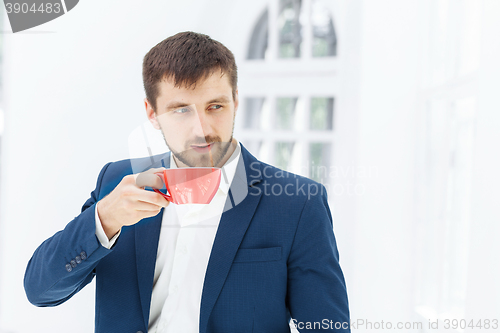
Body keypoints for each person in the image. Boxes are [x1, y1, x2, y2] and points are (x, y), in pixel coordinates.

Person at [24, 31, 350, 333]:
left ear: (235, 101)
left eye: (215, 106)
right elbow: (41, 290)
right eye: (181, 110)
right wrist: (104, 219)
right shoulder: (117, 182)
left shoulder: (298, 202)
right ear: (152, 113)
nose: (202, 128)